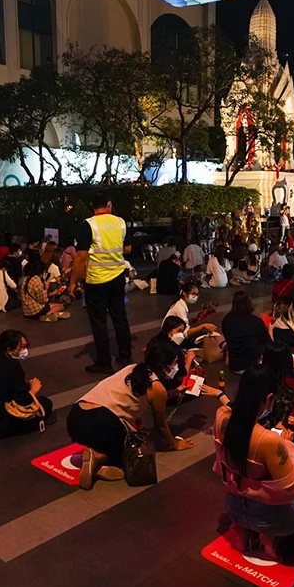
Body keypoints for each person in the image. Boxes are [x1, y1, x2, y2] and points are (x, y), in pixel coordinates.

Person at [213, 365, 294, 555]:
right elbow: (292, 489)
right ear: (269, 399)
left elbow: (243, 439)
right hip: (269, 518)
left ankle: (240, 530)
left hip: (233, 507)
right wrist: (288, 447)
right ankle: (269, 536)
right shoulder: (269, 441)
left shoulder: (221, 416)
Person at [68, 339, 195, 489]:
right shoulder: (157, 388)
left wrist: (173, 392)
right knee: (131, 454)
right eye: (174, 363)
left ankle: (96, 463)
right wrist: (175, 444)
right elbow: (160, 425)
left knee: (114, 437)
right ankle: (98, 457)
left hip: (75, 418)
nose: (175, 367)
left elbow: (144, 394)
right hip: (102, 423)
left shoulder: (132, 369)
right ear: (163, 366)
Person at [70, 198, 134, 374]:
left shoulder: (88, 225)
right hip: (117, 278)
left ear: (92, 205)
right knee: (120, 318)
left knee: (99, 322)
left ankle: (104, 363)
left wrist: (73, 282)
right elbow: (127, 249)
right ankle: (125, 356)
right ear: (109, 204)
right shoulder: (120, 222)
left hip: (96, 281)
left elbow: (81, 257)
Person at [222, 290, 271, 373]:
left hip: (235, 366)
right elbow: (268, 343)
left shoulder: (226, 320)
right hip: (253, 367)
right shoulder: (256, 321)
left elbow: (228, 340)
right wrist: (271, 329)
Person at [166, 281, 217, 347]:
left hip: (173, 336)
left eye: (197, 294)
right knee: (204, 337)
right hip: (172, 340)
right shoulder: (180, 308)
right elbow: (186, 333)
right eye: (193, 293)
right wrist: (203, 326)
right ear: (184, 293)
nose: (195, 296)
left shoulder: (179, 304)